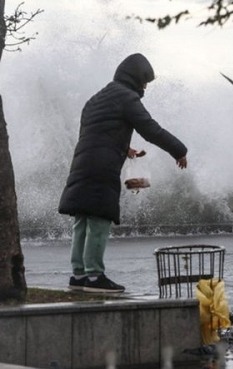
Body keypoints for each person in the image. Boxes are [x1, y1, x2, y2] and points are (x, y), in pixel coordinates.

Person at [58, 53, 188, 293]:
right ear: (136, 78)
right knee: (99, 218)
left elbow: (96, 131)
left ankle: (78, 276)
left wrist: (123, 147)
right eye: (145, 80)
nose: (146, 86)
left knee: (82, 219)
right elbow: (151, 130)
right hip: (102, 166)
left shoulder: (96, 99)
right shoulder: (126, 97)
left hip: (82, 162)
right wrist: (179, 150)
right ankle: (95, 277)